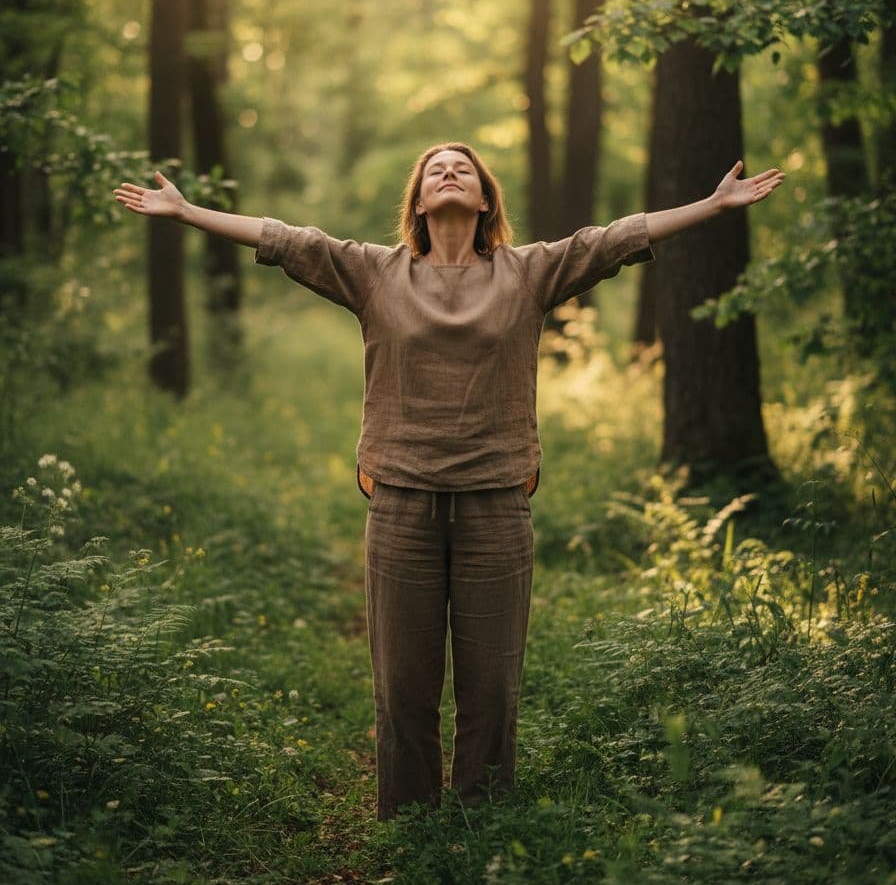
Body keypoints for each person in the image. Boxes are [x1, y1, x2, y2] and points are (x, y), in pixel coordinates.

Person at [114, 143, 784, 819]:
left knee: (492, 686)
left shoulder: (526, 273)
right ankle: (409, 822)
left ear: (486, 199)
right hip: (401, 501)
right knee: (403, 685)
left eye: (463, 167)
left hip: (497, 502)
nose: (449, 172)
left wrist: (713, 203)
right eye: (435, 168)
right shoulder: (376, 273)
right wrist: (185, 211)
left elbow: (613, 240)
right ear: (419, 203)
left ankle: (481, 822)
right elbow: (286, 240)